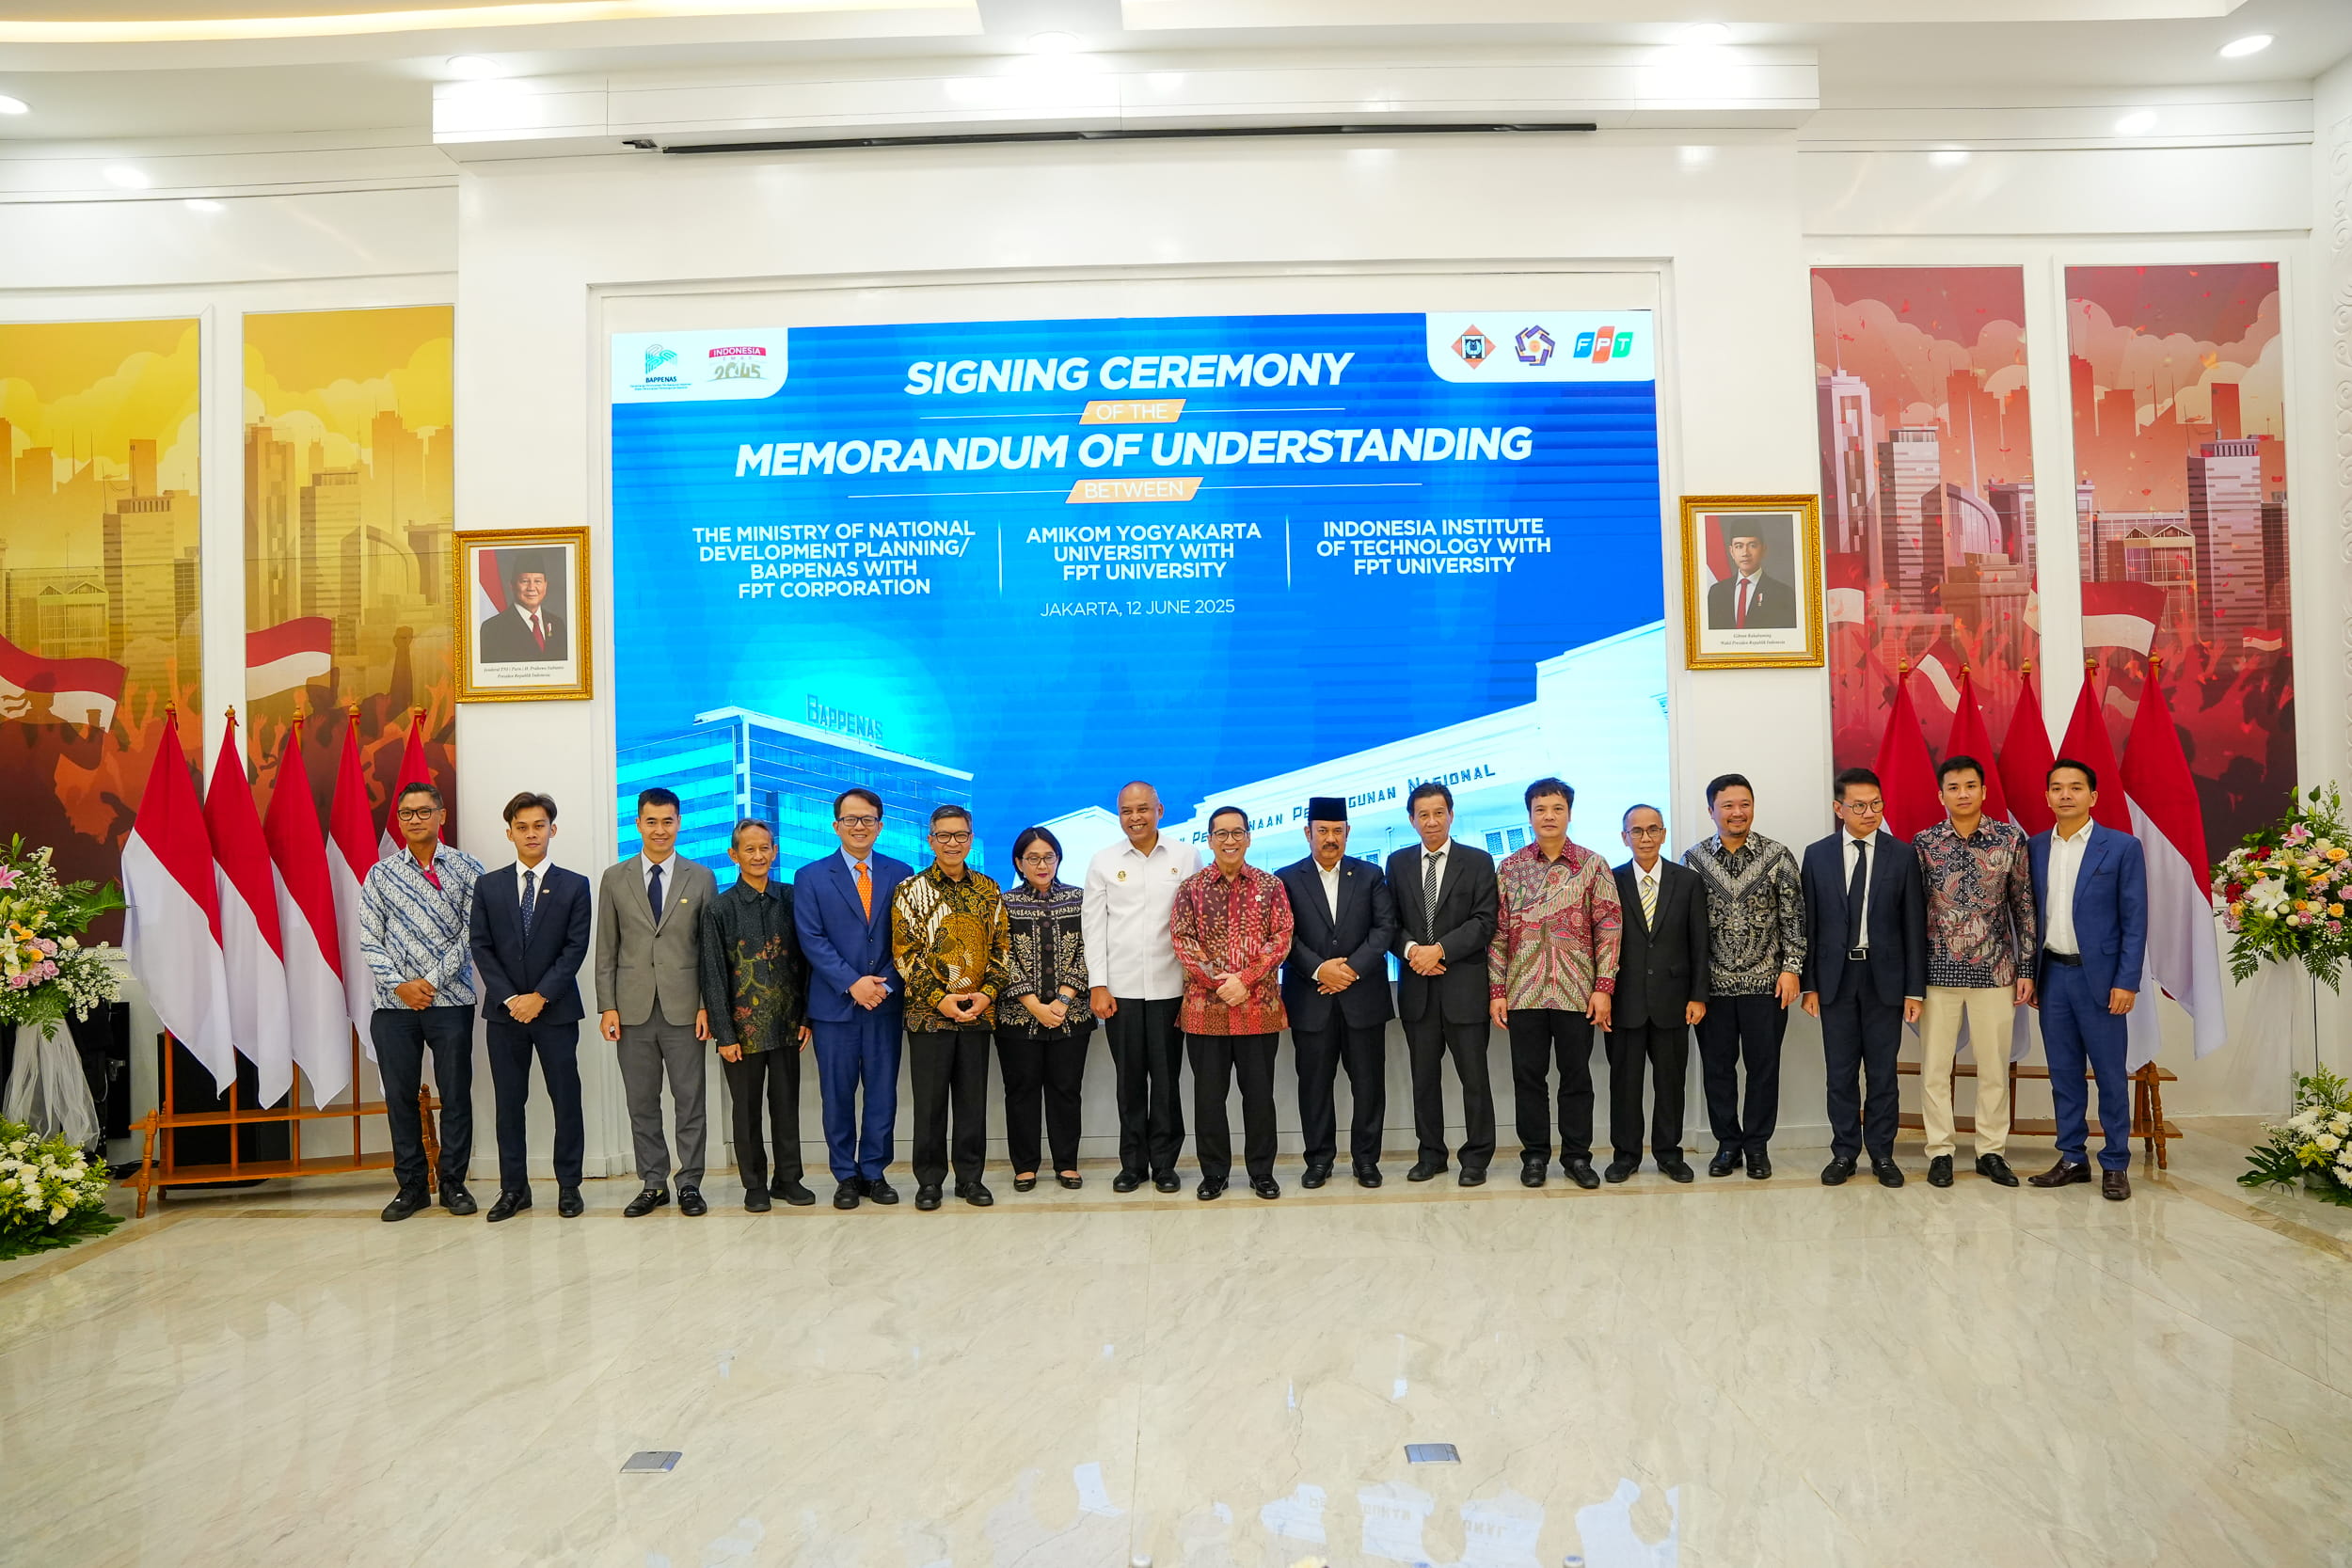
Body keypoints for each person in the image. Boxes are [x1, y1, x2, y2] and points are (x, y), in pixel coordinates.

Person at [359, 783, 486, 1223]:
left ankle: (452, 1183)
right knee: (399, 1097)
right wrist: (401, 985)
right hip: (392, 1006)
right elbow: (368, 938)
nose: (415, 820)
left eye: (424, 811)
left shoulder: (468, 868)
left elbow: (473, 934)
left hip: (451, 1001)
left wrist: (428, 982)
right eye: (407, 814)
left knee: (456, 1094)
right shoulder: (380, 874)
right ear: (398, 821)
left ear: (441, 815)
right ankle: (411, 1187)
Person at [1488, 777, 1622, 1191]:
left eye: (1557, 809)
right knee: (1528, 1078)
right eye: (1540, 809)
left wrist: (1604, 987)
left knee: (1576, 1077)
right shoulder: (1510, 867)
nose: (1549, 816)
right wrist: (1497, 990)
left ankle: (1578, 1157)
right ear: (1529, 815)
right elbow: (1497, 934)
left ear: (1569, 813)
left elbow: (1610, 928)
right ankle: (1534, 1158)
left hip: (1575, 992)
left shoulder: (1592, 865)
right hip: (1524, 991)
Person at [2026, 759, 2148, 1201]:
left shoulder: (2121, 848)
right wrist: (2030, 975)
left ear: (2093, 797)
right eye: (2056, 787)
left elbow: (2135, 921)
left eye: (2075, 788)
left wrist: (2127, 981)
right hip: (2053, 975)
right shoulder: (2036, 847)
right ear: (2047, 796)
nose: (2065, 795)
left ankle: (2115, 1163)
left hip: (2102, 980)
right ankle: (2072, 1158)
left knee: (2111, 1076)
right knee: (2064, 1075)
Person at [467, 790, 591, 1221]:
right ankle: (513, 1189)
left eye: (539, 825)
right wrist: (511, 998)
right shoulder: (489, 885)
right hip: (504, 1015)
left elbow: (575, 949)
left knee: (566, 1099)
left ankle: (569, 1187)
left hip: (555, 1012)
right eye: (522, 827)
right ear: (509, 833)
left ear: (552, 830)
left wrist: (539, 997)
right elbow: (481, 947)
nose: (531, 833)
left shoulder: (575, 885)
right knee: (508, 1103)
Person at [1913, 755, 2036, 1190]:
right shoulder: (1925, 842)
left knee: (1993, 1068)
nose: (1962, 794)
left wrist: (2027, 967)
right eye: (1953, 787)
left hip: (1996, 970)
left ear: (1984, 791)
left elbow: (2023, 905)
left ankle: (1990, 1151)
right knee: (1934, 1068)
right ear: (1941, 794)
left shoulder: (2009, 839)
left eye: (1970, 786)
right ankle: (1940, 1151)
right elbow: (1913, 912)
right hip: (1936, 972)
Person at [1800, 767, 1927, 1188]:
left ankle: (1883, 1154)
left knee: (1882, 1072)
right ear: (1839, 808)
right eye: (1858, 805)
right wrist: (1810, 984)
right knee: (1840, 1072)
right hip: (1835, 979)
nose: (1868, 812)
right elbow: (1811, 924)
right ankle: (1843, 1153)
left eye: (1875, 804)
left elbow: (1913, 926)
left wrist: (1914, 988)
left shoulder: (1902, 854)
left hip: (1884, 979)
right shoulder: (1817, 855)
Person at [596, 787, 716, 1216]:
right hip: (631, 1010)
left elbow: (709, 951)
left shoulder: (701, 877)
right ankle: (653, 1182)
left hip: (686, 1009)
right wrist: (607, 1006)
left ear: (679, 823)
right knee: (641, 1101)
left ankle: (689, 1183)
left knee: (690, 1099)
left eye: (668, 821)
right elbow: (606, 948)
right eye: (652, 821)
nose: (660, 829)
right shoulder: (615, 877)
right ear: (638, 824)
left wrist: (707, 1004)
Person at [794, 787, 914, 1210]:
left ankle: (875, 1172)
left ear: (880, 825)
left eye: (867, 820)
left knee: (883, 1093)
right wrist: (852, 983)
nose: (859, 827)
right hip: (834, 1007)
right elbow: (811, 939)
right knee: (837, 1095)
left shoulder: (903, 873)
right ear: (836, 826)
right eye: (850, 820)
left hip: (885, 1003)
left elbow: (910, 940)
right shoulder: (809, 877)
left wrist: (885, 984)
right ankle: (845, 1174)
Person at [1682, 772, 1805, 1180]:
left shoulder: (1778, 855)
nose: (1738, 812)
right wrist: (1692, 987)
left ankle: (1756, 1147)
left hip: (1767, 986)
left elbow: (1794, 918)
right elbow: (1684, 928)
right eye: (1728, 805)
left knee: (1763, 1067)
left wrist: (1791, 970)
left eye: (1744, 804)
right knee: (1718, 1070)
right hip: (1712, 989)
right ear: (1711, 811)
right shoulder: (1693, 860)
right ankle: (1727, 1145)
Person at [1170, 805, 1295, 1200]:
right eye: (1221, 834)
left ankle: (1262, 1172)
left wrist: (1244, 979)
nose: (1229, 840)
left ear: (1249, 838)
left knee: (1259, 1096)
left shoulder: (1270, 886)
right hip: (1205, 1011)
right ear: (1209, 840)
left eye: (1237, 833)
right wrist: (1220, 982)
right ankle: (1214, 1174)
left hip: (1258, 1009)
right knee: (1209, 1098)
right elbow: (1183, 941)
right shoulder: (1190, 888)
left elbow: (1282, 938)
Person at [1083, 781, 1200, 1194]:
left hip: (1173, 989)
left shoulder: (1186, 856)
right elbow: (1093, 928)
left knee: (1167, 1082)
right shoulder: (1103, 861)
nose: (1135, 817)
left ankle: (1165, 1164)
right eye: (1126, 810)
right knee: (1129, 1081)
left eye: (1142, 809)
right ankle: (1132, 1164)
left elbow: (1197, 922)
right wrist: (1098, 985)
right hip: (1122, 991)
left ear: (1160, 810)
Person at [892, 804, 1010, 1211]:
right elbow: (905, 955)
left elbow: (1001, 952)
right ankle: (928, 1181)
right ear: (931, 840)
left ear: (970, 839)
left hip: (978, 1013)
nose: (952, 843)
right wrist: (941, 999)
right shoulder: (910, 891)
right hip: (928, 1016)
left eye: (960, 835)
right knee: (929, 1103)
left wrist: (987, 994)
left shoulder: (989, 890)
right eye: (944, 835)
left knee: (972, 1101)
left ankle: (970, 1178)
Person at [1276, 797, 1399, 1188]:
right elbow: (1284, 937)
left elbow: (1384, 930)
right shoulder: (1286, 878)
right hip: (1311, 1000)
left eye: (1338, 831)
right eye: (1323, 831)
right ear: (1307, 832)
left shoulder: (1369, 874)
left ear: (1348, 833)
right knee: (1313, 1085)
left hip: (1363, 998)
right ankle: (1319, 1161)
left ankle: (1366, 1160)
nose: (1331, 838)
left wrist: (1348, 970)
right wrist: (1318, 969)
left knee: (1368, 1084)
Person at [697, 818, 813, 1212]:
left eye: (764, 847)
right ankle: (754, 1185)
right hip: (741, 1032)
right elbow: (712, 973)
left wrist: (806, 1017)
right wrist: (724, 1034)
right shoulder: (719, 909)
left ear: (774, 850)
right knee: (745, 1111)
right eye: (749, 849)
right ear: (734, 855)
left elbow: (807, 962)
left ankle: (788, 1179)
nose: (758, 855)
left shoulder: (793, 899)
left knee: (786, 1106)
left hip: (787, 1024)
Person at [1387, 783, 1500, 1186]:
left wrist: (1440, 951)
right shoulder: (1396, 863)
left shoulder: (1478, 861)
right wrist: (1414, 949)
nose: (1431, 821)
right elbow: (1390, 923)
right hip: (1417, 989)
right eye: (1423, 815)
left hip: (1464, 990)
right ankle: (1430, 1154)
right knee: (1424, 1080)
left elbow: (1486, 921)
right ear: (1412, 820)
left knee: (1475, 1079)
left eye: (1439, 813)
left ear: (1451, 815)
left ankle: (1476, 1158)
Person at [1608, 804, 1708, 1183]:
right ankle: (1626, 1155)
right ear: (1625, 837)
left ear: (1664, 834)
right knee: (1625, 1084)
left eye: (1653, 830)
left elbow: (1699, 943)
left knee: (1670, 1083)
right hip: (1624, 1002)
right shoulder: (1611, 881)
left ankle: (1669, 1153)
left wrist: (1698, 996)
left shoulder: (1687, 881)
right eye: (1637, 831)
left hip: (1673, 1001)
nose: (1645, 838)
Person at [997, 827, 1093, 1192]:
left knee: (1066, 1090)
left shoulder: (1080, 899)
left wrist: (1064, 999)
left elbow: (1091, 948)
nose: (1041, 864)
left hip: (1073, 1017)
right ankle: (1025, 1166)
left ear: (1058, 859)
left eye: (1048, 857)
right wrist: (1034, 1004)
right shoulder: (1003, 903)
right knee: (1020, 1091)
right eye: (1032, 858)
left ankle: (1066, 1163)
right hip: (1018, 1018)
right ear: (1019, 863)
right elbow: (1000, 956)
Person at [478, 553, 568, 663]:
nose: (531, 588)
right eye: (525, 581)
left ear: (545, 586)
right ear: (512, 586)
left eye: (538, 581)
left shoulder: (557, 624)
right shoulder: (493, 628)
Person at [1704, 525, 1797, 631]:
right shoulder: (1717, 591)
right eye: (1739, 546)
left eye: (1752, 545)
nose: (1745, 553)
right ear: (1731, 552)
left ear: (1763, 550)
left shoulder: (1783, 593)